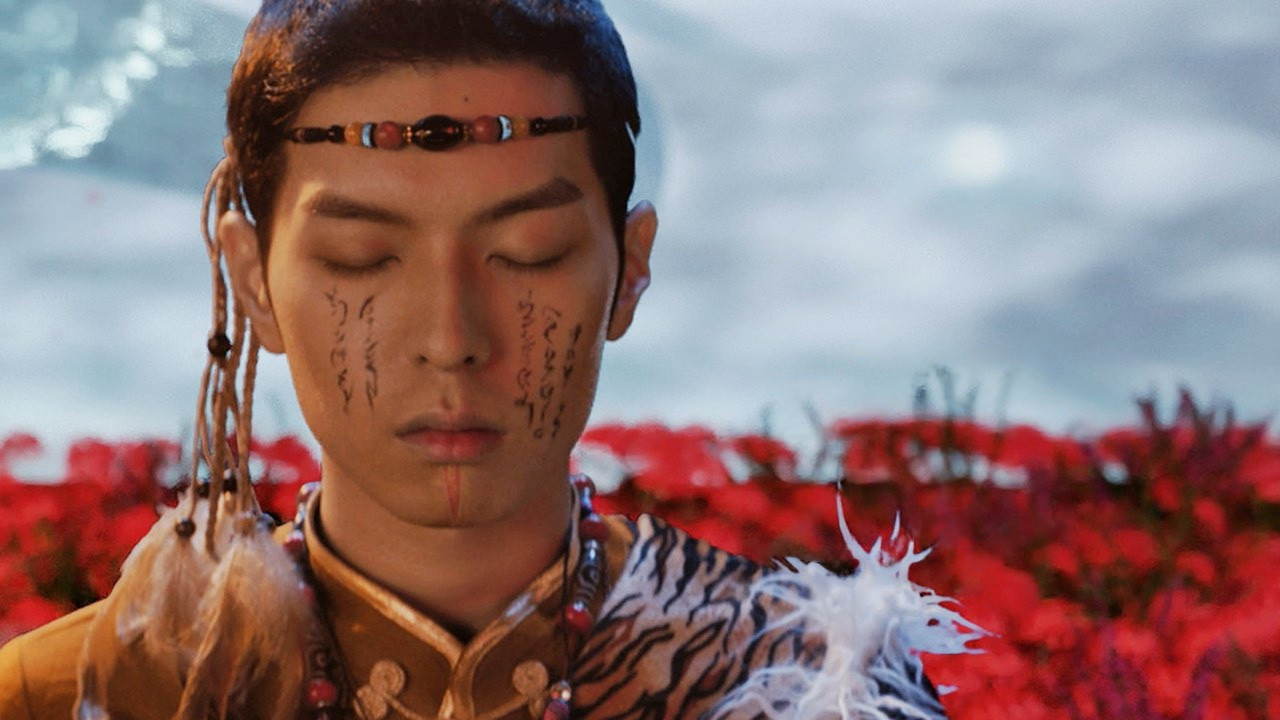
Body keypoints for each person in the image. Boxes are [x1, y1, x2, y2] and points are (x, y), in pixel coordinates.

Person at [0, 1, 981, 717]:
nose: (451, 337)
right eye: (362, 258)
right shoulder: (82, 696)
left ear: (629, 269)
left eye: (528, 253)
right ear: (252, 280)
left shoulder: (800, 687)